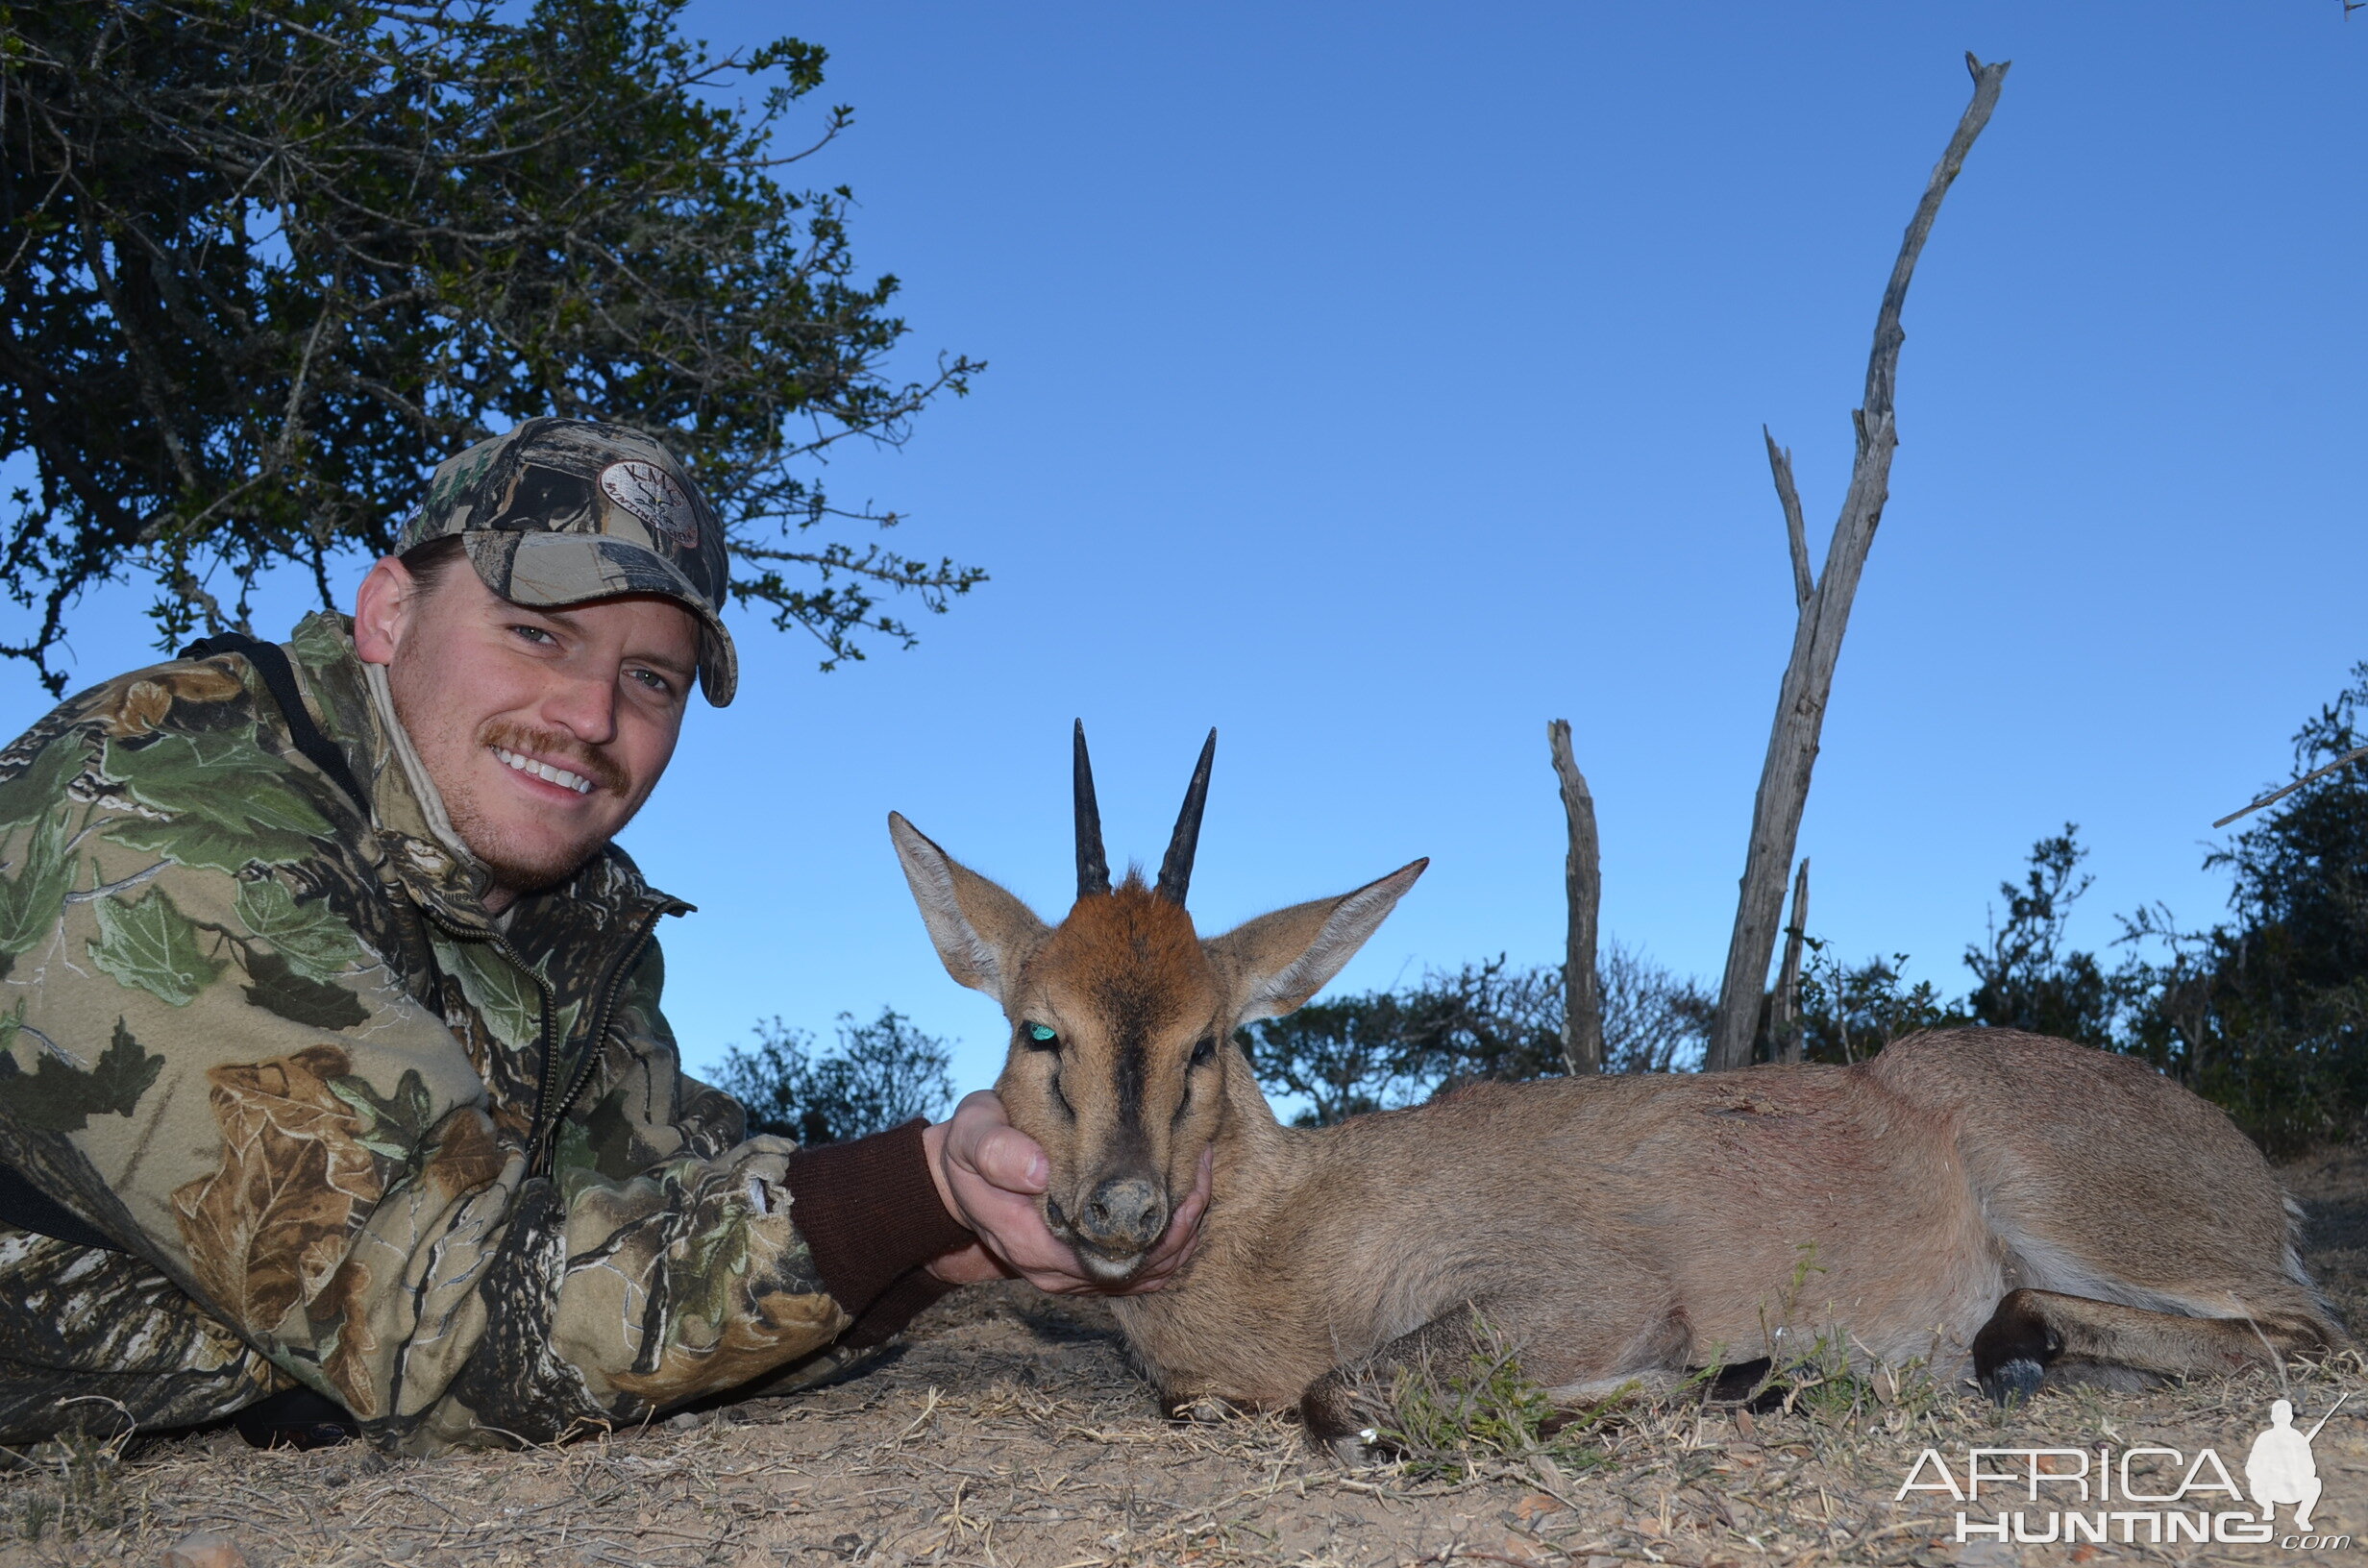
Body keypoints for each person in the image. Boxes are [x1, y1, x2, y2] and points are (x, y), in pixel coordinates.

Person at [0, 419, 1205, 1455]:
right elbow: (446, 1335)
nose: (588, 716)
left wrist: (938, 1243)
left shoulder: (563, 908)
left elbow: (655, 1227)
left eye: (652, 680)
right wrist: (912, 1188)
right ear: (385, 612)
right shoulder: (160, 827)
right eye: (537, 633)